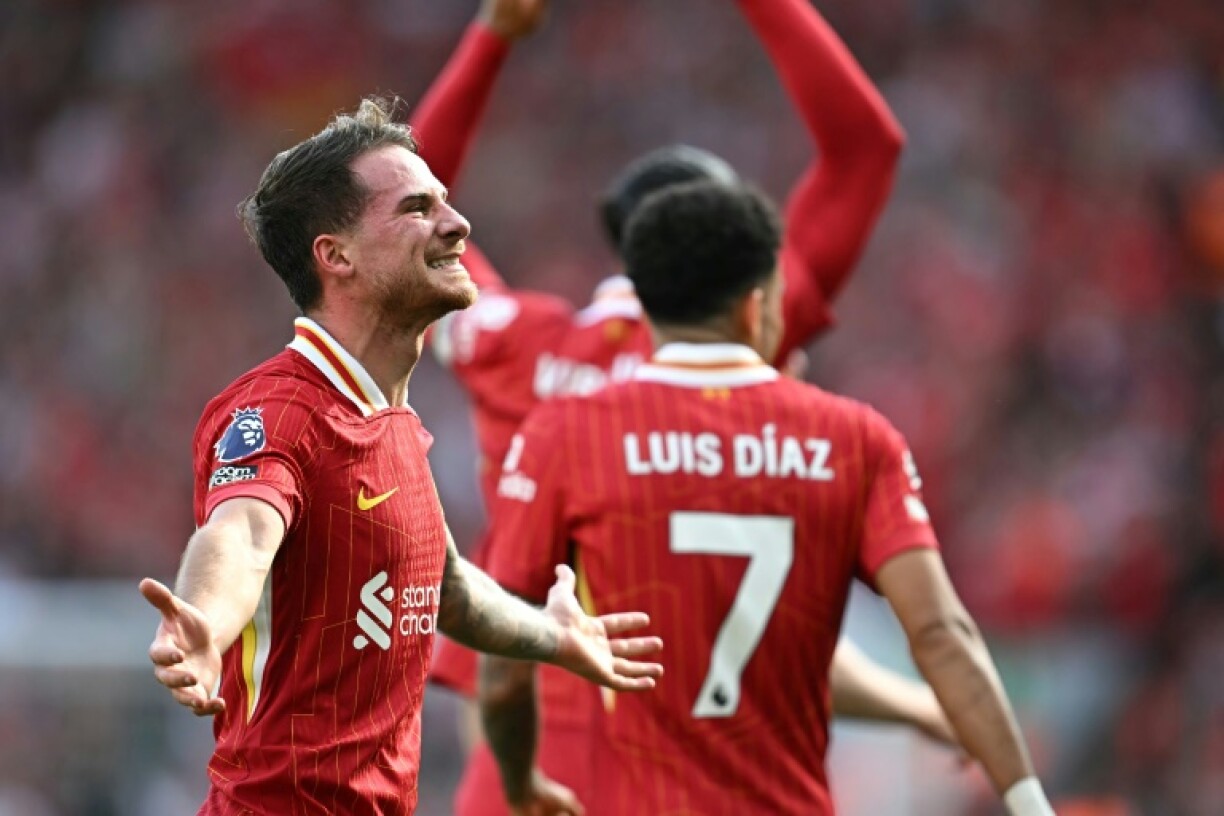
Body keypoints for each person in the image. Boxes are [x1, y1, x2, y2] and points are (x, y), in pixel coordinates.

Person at [408, 2, 953, 811]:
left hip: (524, 754)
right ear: (745, 273)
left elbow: (415, 205)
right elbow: (866, 151)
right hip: (696, 773)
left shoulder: (513, 344)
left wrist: (493, 36)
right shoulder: (748, 334)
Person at [137, 97, 664, 816]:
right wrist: (204, 619)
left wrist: (555, 635)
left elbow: (447, 591)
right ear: (336, 255)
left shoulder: (391, 421)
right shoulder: (278, 410)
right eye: (417, 208)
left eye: (446, 202)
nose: (458, 224)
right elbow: (241, 533)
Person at [481, 180, 1056, 815]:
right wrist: (1029, 803)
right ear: (758, 307)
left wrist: (518, 784)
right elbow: (941, 631)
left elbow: (506, 663)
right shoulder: (854, 438)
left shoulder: (567, 433)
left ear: (643, 309)